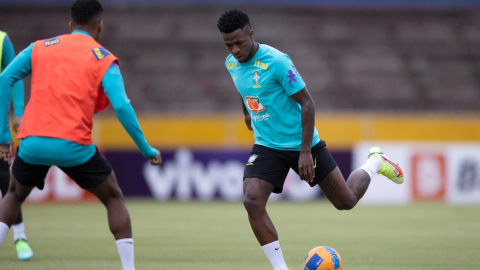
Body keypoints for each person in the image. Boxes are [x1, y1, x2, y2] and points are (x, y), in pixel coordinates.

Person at [217, 9, 404, 270]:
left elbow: (308, 104)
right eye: (229, 45)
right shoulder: (230, 63)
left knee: (346, 201)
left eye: (239, 43)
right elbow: (243, 87)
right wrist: (246, 112)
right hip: (267, 145)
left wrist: (305, 152)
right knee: (251, 200)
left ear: (251, 34)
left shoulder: (277, 61)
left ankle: (375, 162)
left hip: (303, 144)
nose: (235, 50)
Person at [0, 1, 162, 269]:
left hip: (32, 143)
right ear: (100, 26)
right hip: (74, 146)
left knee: (14, 195)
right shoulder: (103, 57)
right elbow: (121, 105)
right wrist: (146, 149)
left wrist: (4, 135)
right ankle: (129, 268)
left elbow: (5, 78)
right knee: (113, 198)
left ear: (70, 26)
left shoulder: (40, 47)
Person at [0, 30, 33, 261]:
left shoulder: (2, 40)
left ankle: (20, 237)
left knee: (4, 178)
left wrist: (18, 111)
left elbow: (16, 74)